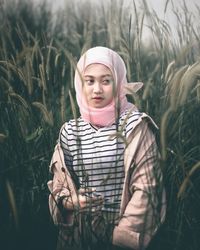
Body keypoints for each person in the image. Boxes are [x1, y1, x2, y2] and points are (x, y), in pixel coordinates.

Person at [47, 46, 166, 250]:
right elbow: (59, 186)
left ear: (119, 83)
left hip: (120, 236)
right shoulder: (69, 131)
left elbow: (148, 188)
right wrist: (70, 202)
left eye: (106, 81)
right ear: (79, 83)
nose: (97, 89)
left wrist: (118, 236)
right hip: (78, 237)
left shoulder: (135, 126)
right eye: (89, 81)